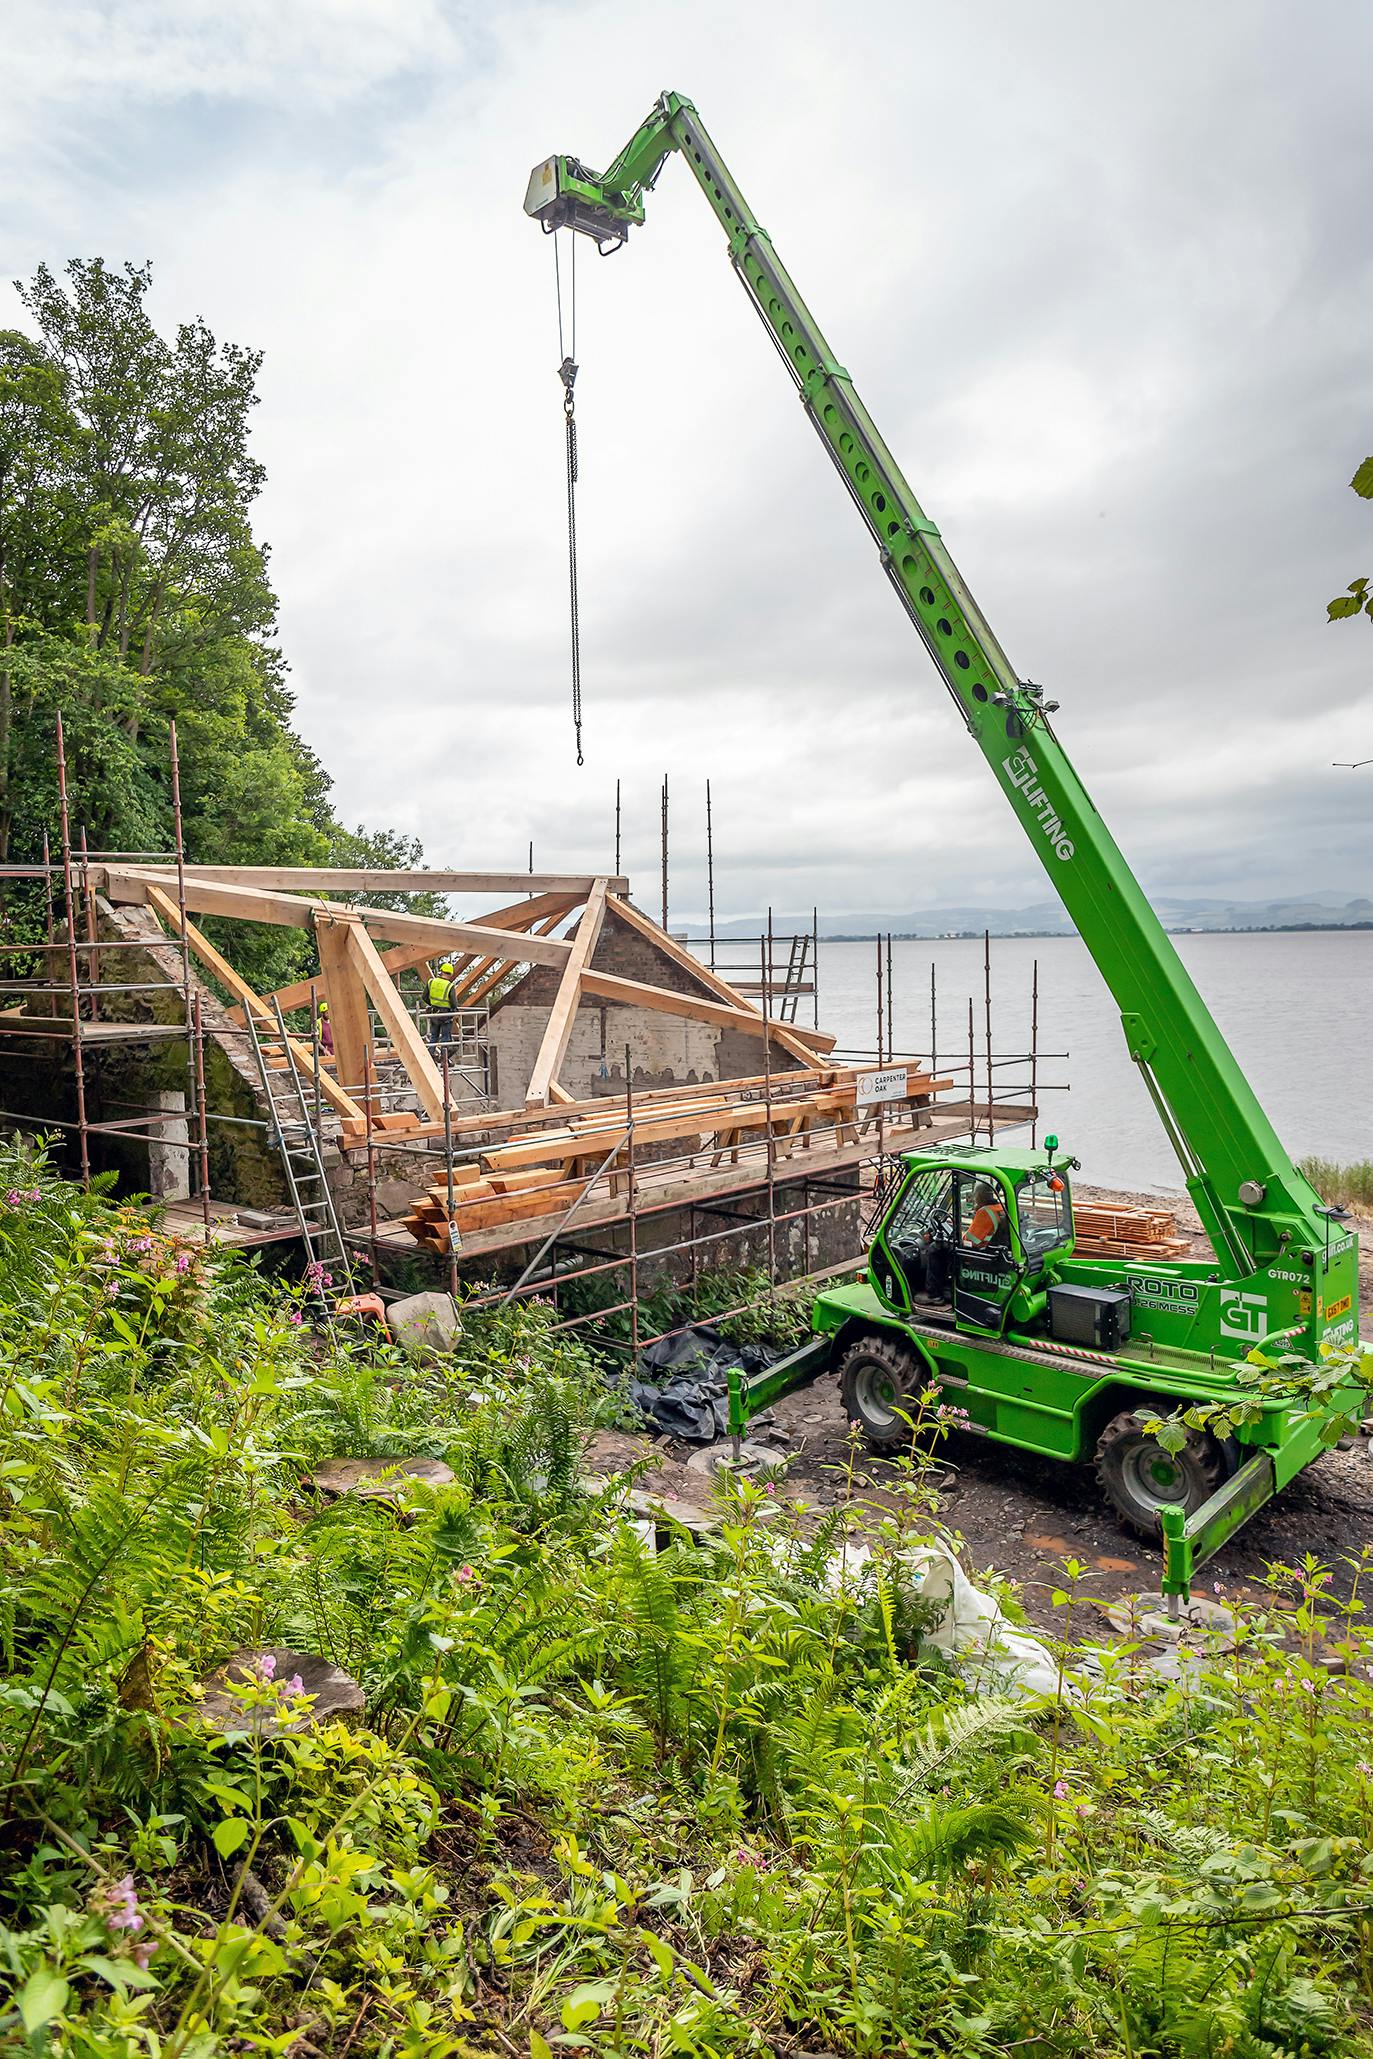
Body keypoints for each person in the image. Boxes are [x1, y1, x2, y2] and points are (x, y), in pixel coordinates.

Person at [965, 1180, 1008, 1248]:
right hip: (997, 1248)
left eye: (975, 1196)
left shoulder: (984, 1212)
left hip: (983, 1252)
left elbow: (971, 1241)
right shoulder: (1000, 1207)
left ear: (979, 1196)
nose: (974, 1199)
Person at [426, 959, 458, 1047]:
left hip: (434, 1013)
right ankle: (444, 1056)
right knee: (445, 1037)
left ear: (441, 971)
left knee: (434, 1037)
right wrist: (455, 1011)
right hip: (445, 1015)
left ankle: (431, 1053)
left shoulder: (431, 982)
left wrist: (433, 1003)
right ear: (450, 974)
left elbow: (424, 997)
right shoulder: (449, 986)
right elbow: (454, 1002)